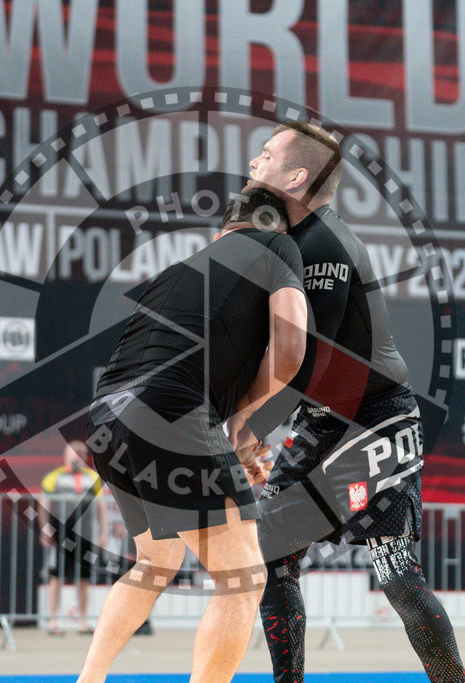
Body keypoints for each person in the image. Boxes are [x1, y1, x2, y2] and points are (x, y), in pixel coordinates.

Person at [241, 121, 465, 683]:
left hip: (377, 417)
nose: (254, 162)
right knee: (271, 560)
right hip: (322, 419)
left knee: (395, 571)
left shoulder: (324, 242)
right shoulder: (287, 241)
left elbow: (301, 360)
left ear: (296, 176)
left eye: (266, 154)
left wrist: (245, 430)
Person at [77, 188, 309, 683]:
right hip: (170, 410)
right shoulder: (276, 244)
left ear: (219, 232)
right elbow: (290, 352)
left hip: (105, 415)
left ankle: (88, 681)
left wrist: (228, 435)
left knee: (155, 560)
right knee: (243, 579)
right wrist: (242, 427)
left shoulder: (179, 272)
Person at [38, 440, 106, 635]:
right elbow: (43, 504)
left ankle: (83, 622)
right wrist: (44, 530)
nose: (77, 457)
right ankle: (53, 621)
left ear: (86, 457)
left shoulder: (93, 478)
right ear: (66, 455)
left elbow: (101, 507)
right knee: (55, 577)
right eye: (73, 453)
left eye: (81, 453)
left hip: (86, 537)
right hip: (61, 536)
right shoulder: (54, 477)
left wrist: (102, 533)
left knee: (84, 578)